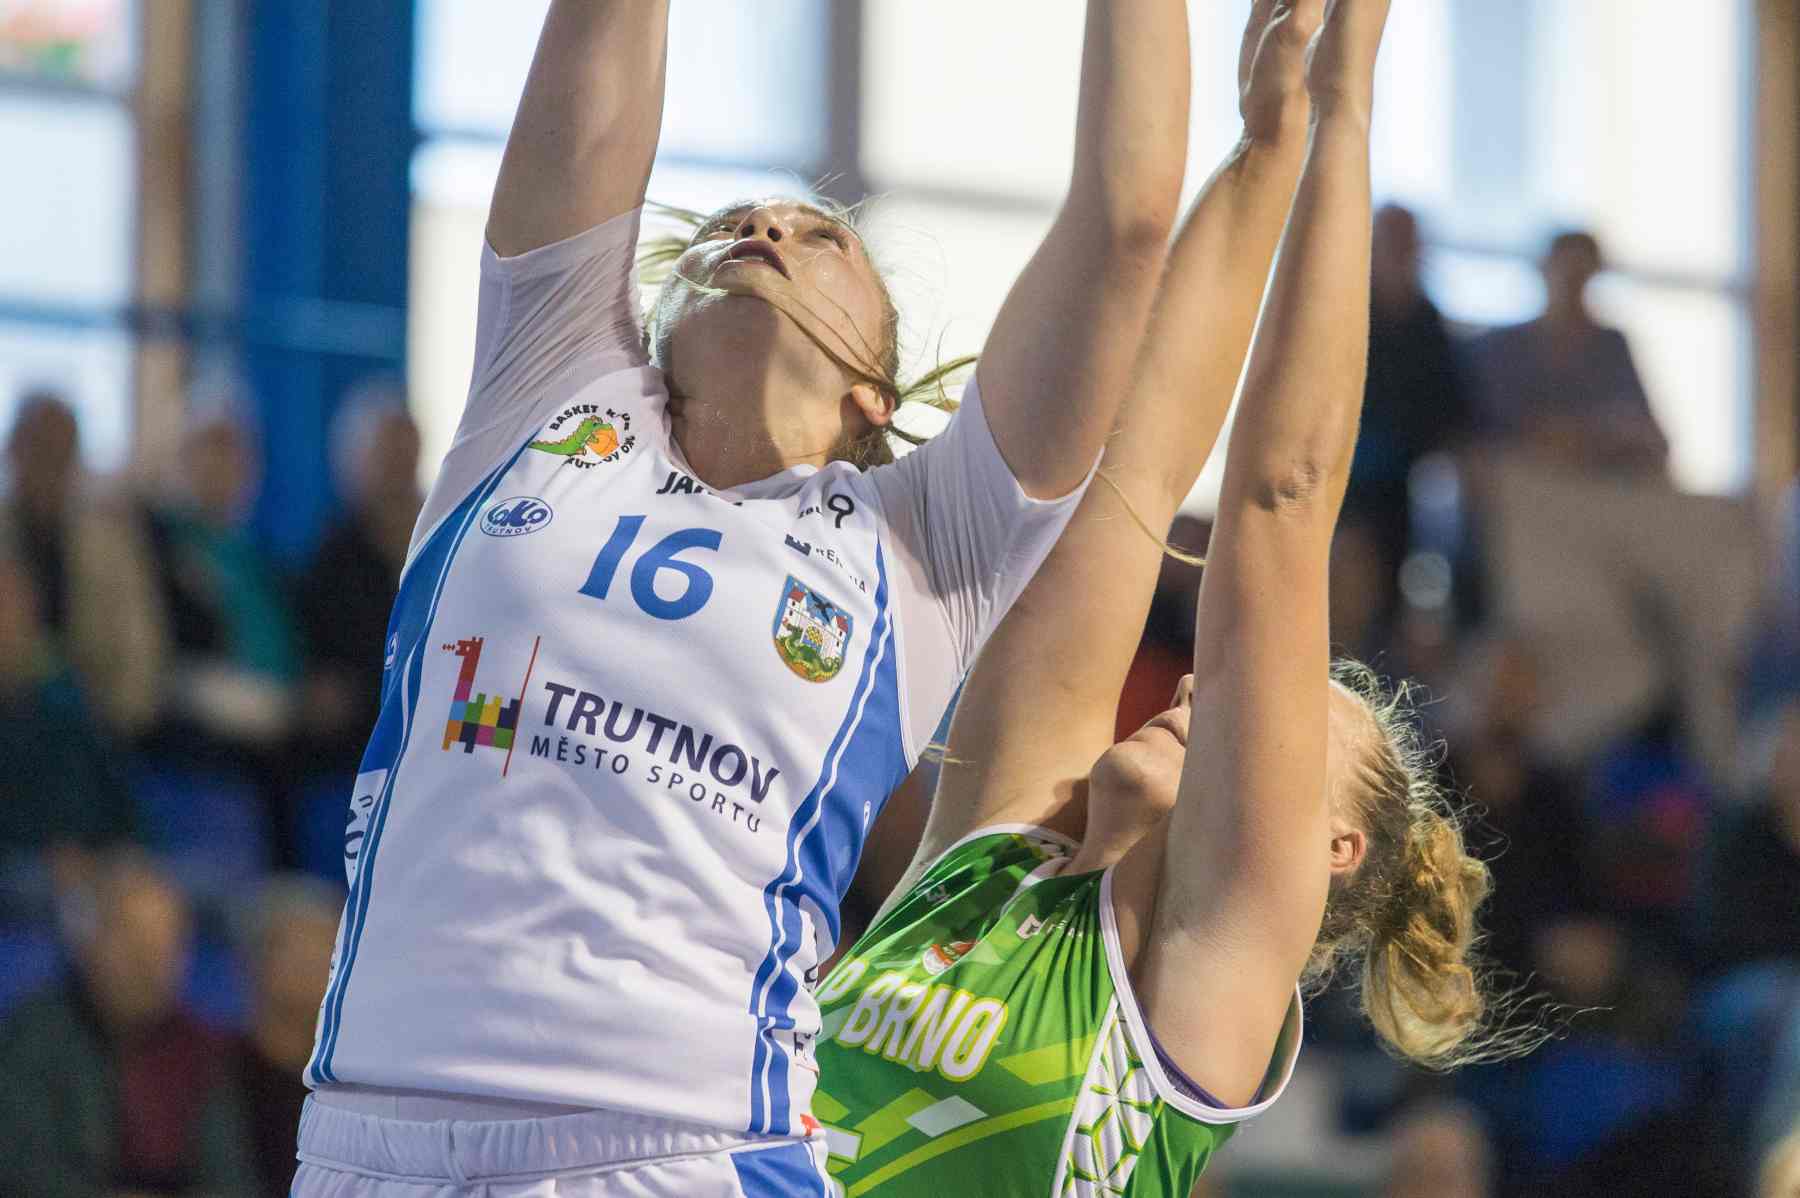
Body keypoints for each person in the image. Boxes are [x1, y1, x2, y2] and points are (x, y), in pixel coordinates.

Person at [294, 3, 1192, 1195]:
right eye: (737, 223)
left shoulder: (922, 538)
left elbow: (1128, 220)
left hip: (679, 1150)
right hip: (367, 1142)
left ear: (875, 390)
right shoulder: (549, 388)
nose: (767, 226)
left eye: (823, 239)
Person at [812, 2, 1505, 1192]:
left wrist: (1347, 106)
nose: (1200, 693)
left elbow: (1281, 503)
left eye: (1278, 715)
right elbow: (1131, 473)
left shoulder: (1211, 977)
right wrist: (1264, 144)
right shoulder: (994, 849)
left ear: (1328, 850)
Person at [0, 849, 255, 1197]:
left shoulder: (198, 1046)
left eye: (168, 945)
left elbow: (231, 1180)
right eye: (133, 942)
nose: (151, 964)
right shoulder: (33, 1035)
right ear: (87, 944)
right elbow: (19, 1171)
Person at [1, 389, 169, 739]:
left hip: (93, 721)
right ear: (13, 450)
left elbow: (139, 649)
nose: (49, 464)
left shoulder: (109, 544)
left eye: (61, 451)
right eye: (38, 447)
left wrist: (118, 721)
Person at [1470, 229, 1669, 476]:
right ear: (1544, 270)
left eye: (1580, 275)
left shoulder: (1611, 348)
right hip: (1519, 481)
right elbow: (1487, 429)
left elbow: (1648, 434)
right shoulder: (1502, 347)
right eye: (1564, 273)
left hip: (1597, 485)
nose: (1570, 287)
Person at [231, 875, 342, 1198]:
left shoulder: (346, 1083)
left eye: (326, 950)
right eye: (298, 949)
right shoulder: (218, 1074)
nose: (313, 965)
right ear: (255, 961)